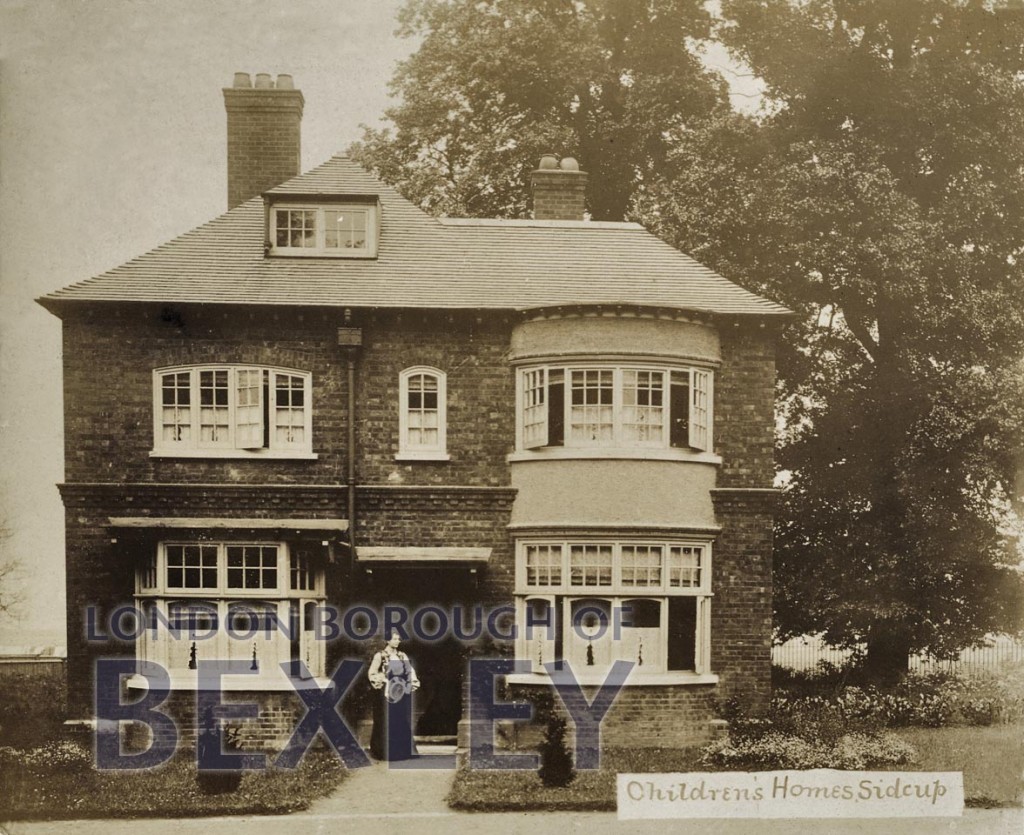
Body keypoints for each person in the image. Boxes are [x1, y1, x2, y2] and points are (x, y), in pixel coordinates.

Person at [368, 629, 420, 760]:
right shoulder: (380, 656)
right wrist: (381, 680)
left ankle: (402, 752)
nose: (397, 641)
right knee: (385, 720)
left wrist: (411, 682)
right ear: (387, 640)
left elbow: (410, 671)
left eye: (399, 639)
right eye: (395, 639)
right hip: (384, 693)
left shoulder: (402, 656)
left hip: (399, 692)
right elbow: (372, 672)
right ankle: (383, 752)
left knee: (399, 719)